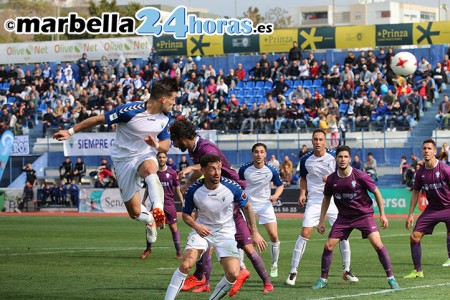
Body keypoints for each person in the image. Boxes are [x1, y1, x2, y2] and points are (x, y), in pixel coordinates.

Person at [54, 77, 178, 245]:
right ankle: (150, 219)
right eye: (173, 99)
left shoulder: (165, 117)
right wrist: (70, 131)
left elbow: (165, 146)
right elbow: (99, 119)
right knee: (134, 212)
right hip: (123, 160)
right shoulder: (129, 111)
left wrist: (155, 144)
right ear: (163, 99)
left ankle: (157, 208)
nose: (174, 103)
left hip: (144, 154)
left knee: (150, 169)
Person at [169, 118, 273, 295]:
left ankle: (208, 277)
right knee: (212, 239)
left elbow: (211, 164)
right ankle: (208, 278)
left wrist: (189, 170)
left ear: (182, 136)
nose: (174, 143)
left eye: (174, 139)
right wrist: (189, 183)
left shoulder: (205, 149)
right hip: (220, 196)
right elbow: (204, 171)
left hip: (226, 197)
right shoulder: (196, 149)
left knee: (212, 236)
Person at [164, 154, 263, 300]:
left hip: (225, 233)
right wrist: (197, 226)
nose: (217, 172)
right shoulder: (194, 190)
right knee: (186, 264)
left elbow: (247, 206)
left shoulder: (232, 187)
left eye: (219, 168)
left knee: (233, 273)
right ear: (203, 171)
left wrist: (254, 232)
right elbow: (186, 215)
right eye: (212, 169)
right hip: (201, 231)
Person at [312, 146, 400, 290]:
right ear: (336, 159)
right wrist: (321, 220)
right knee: (328, 245)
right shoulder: (331, 179)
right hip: (344, 218)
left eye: (345, 157)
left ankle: (391, 278)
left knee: (377, 244)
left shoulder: (360, 175)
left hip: (363, 215)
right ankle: (323, 280)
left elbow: (377, 192)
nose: (342, 159)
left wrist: (382, 214)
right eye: (340, 157)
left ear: (350, 159)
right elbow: (326, 198)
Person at [286, 129, 357, 286]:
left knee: (343, 234)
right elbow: (303, 178)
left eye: (321, 139)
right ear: (312, 141)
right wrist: (302, 193)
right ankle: (293, 271)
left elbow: (344, 173)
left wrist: (331, 178)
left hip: (334, 200)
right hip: (315, 200)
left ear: (325, 142)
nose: (318, 142)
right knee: (305, 232)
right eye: (315, 139)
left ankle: (347, 270)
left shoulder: (333, 157)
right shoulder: (305, 160)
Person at [405, 139, 450, 278]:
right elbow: (415, 193)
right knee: (414, 237)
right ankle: (418, 271)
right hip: (433, 209)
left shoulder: (445, 169)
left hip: (449, 207)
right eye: (424, 148)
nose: (426, 151)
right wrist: (410, 214)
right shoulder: (420, 173)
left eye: (429, 148)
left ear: (435, 152)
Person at [239, 143, 285, 278]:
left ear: (265, 154)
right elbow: (238, 186)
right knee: (242, 237)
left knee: (274, 236)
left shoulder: (271, 170)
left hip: (265, 205)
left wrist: (276, 195)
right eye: (256, 152)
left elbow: (280, 186)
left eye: (262, 152)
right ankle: (241, 265)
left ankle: (274, 264)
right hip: (247, 206)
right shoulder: (244, 169)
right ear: (252, 154)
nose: (259, 154)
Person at [141, 152, 184, 260]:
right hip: (156, 204)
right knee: (150, 226)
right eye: (159, 157)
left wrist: (183, 202)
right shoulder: (153, 173)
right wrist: (143, 200)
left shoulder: (173, 173)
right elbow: (147, 189)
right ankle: (148, 249)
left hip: (169, 204)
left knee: (173, 228)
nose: (161, 159)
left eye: (163, 157)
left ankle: (179, 252)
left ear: (166, 159)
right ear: (157, 159)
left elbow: (177, 189)